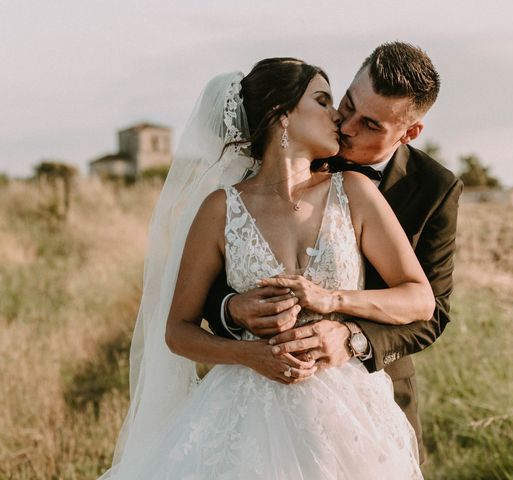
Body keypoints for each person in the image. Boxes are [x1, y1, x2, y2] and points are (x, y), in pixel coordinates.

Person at [99, 58, 433, 479]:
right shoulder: (220, 209)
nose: (338, 118)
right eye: (323, 100)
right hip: (244, 420)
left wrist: (333, 302)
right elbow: (177, 331)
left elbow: (420, 298)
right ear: (282, 115)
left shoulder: (355, 191)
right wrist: (249, 354)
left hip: (348, 417)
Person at [204, 42, 463, 464]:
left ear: (409, 133)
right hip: (257, 399)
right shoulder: (291, 151)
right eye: (346, 104)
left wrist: (351, 338)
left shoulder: (435, 188)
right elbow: (219, 270)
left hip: (371, 390)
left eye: (371, 124)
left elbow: (432, 311)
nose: (346, 126)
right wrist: (233, 309)